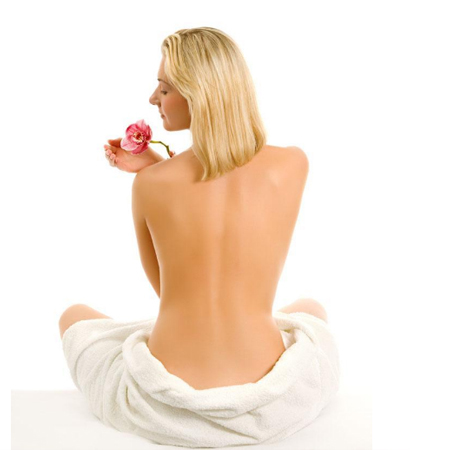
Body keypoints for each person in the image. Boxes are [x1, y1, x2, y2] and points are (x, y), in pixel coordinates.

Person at [60, 27, 337, 447]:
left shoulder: (150, 184)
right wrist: (160, 165)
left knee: (73, 315)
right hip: (266, 386)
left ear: (199, 94)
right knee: (311, 308)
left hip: (165, 395)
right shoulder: (293, 165)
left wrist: (156, 169)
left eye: (164, 88)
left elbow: (168, 292)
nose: (153, 99)